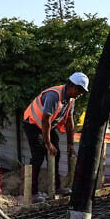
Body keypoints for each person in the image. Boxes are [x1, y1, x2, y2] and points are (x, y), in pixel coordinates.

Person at [22, 72, 88, 203]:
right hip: (33, 124)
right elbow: (45, 119)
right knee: (38, 155)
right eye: (79, 90)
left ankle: (56, 187)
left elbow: (69, 121)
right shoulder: (53, 96)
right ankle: (33, 192)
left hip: (47, 126)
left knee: (55, 153)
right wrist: (47, 143)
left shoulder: (71, 100)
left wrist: (70, 143)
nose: (80, 94)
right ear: (72, 86)